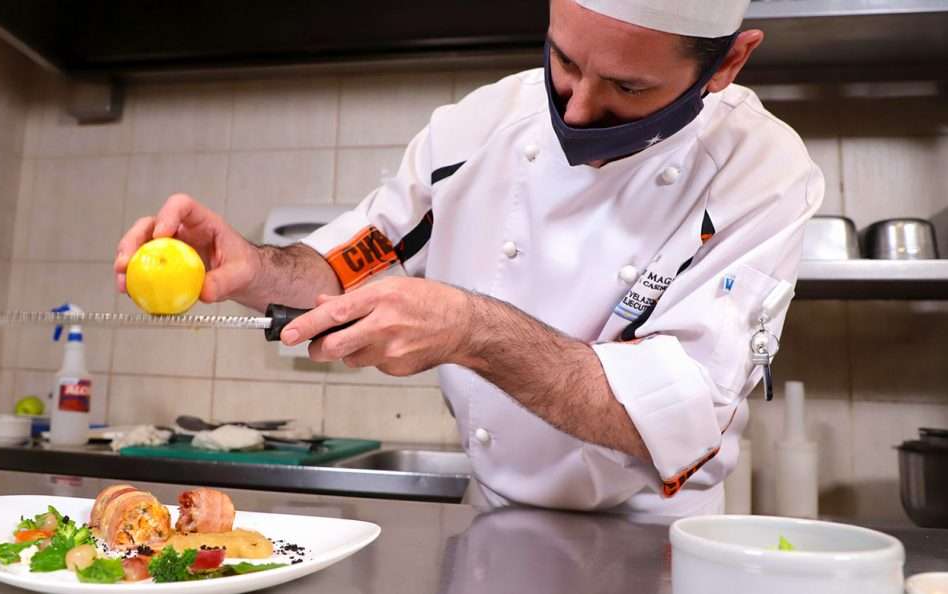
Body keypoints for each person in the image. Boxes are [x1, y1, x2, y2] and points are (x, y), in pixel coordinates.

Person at [115, 0, 823, 516]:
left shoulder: (758, 169)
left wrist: (470, 329)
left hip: (656, 539)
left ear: (728, 62)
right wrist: (256, 268)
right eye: (564, 60)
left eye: (628, 87)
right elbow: (360, 258)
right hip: (495, 515)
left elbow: (682, 409)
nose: (575, 110)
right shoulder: (479, 127)